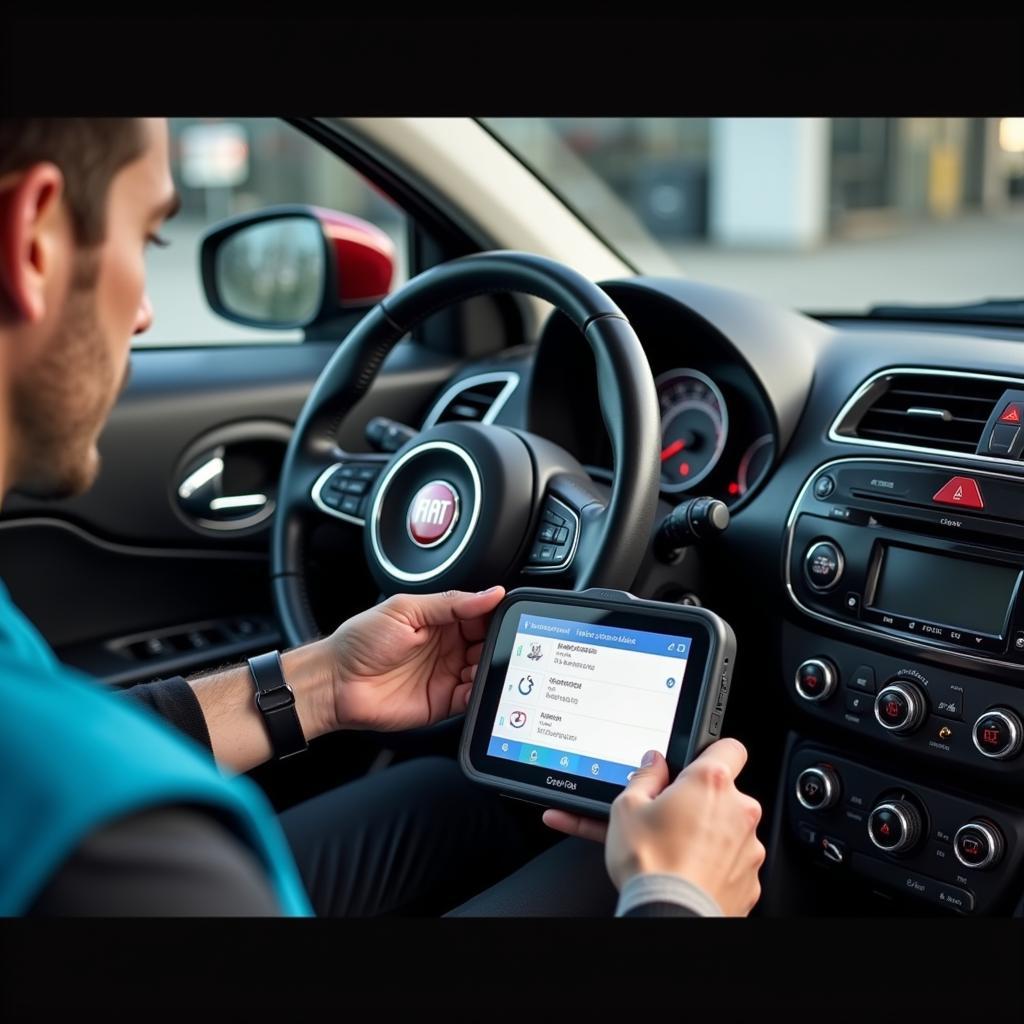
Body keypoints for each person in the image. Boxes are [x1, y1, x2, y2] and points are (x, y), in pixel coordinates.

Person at [0, 117, 765, 918]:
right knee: (605, 867)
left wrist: (322, 681)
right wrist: (678, 897)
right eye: (149, 239)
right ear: (36, 241)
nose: (148, 313)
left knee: (452, 800)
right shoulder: (119, 855)